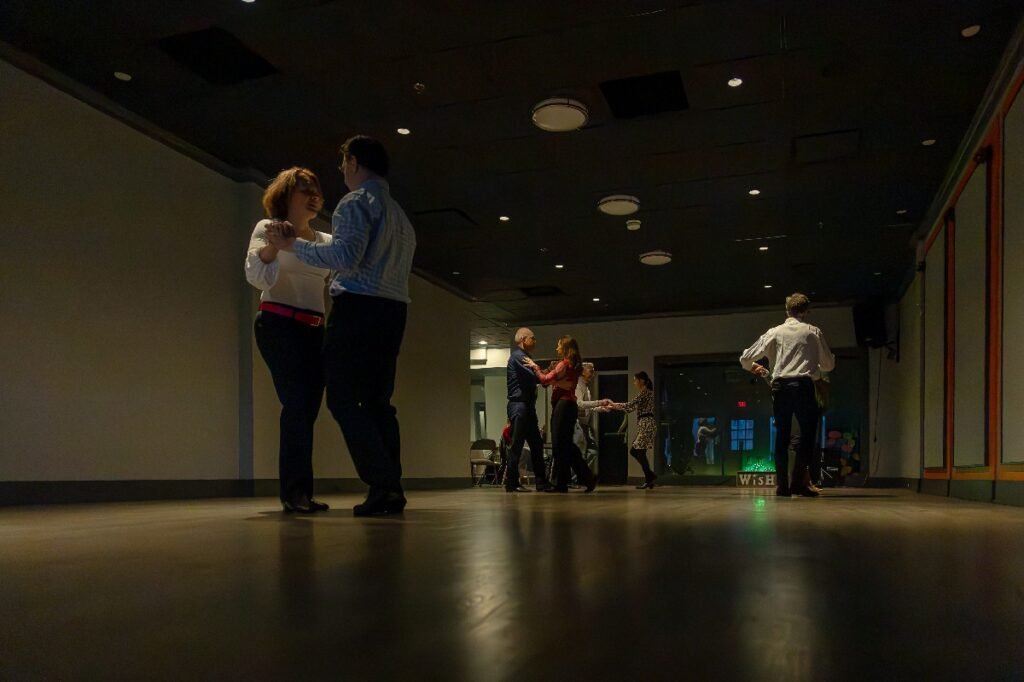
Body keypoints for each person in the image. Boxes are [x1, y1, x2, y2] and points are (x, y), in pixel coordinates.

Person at [266, 136, 416, 517]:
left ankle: (382, 483)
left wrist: (293, 247)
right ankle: (390, 488)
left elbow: (347, 256)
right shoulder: (399, 215)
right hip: (394, 312)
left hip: (359, 311)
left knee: (344, 399)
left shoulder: (355, 202)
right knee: (380, 402)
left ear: (352, 162)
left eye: (342, 164)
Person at [245, 167, 332, 514]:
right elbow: (256, 275)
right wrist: (272, 247)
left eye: (316, 191)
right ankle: (294, 493)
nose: (313, 197)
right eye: (304, 190)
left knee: (307, 410)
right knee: (297, 404)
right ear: (285, 195)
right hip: (278, 324)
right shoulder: (267, 229)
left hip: (315, 330)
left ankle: (301, 493)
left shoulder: (325, 240)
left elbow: (333, 280)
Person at [740, 292, 835, 497]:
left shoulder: (774, 332)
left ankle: (782, 486)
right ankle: (798, 483)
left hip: (780, 387)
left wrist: (759, 369)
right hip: (803, 386)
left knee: (782, 436)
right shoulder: (812, 332)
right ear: (806, 311)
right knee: (807, 436)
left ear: (787, 310)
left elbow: (745, 359)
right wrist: (812, 368)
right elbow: (829, 364)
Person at [523, 336, 597, 493]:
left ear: (565, 348)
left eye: (558, 345)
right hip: (568, 407)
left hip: (563, 406)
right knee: (566, 446)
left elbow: (544, 380)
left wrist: (534, 366)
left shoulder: (564, 364)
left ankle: (566, 482)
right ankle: (582, 478)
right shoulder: (572, 365)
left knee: (559, 445)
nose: (556, 348)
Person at [504, 329, 551, 492]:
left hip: (526, 406)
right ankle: (511, 482)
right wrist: (543, 373)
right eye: (533, 338)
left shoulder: (525, 357)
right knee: (517, 445)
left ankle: (540, 481)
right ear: (524, 339)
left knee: (536, 444)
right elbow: (535, 378)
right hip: (520, 405)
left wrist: (541, 372)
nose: (535, 341)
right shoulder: (519, 357)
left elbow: (537, 378)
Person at [612, 371, 658, 489]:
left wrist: (614, 405)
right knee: (637, 451)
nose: (634, 383)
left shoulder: (645, 392)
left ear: (641, 381)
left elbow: (630, 405)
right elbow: (631, 407)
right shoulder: (646, 393)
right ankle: (650, 477)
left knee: (637, 451)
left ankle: (649, 476)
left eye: (635, 380)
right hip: (646, 424)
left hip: (647, 423)